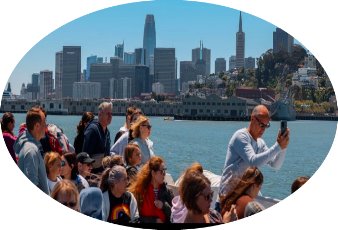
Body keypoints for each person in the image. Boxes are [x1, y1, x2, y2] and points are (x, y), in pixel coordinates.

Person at [217, 104, 290, 211]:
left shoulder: (260, 143)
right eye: (261, 124)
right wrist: (278, 146)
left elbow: (276, 165)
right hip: (227, 198)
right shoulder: (241, 136)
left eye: (266, 126)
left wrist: (283, 147)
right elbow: (253, 162)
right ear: (252, 118)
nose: (263, 129)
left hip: (241, 200)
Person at [14, 106, 49, 194]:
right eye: (45, 122)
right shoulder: (31, 150)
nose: (46, 126)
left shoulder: (29, 146)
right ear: (37, 126)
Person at [128, 156, 173, 223]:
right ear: (153, 173)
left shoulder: (167, 191)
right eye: (161, 171)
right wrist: (153, 221)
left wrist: (164, 206)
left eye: (165, 170)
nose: (164, 174)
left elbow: (174, 216)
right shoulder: (140, 192)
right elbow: (134, 217)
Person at [83, 102, 112, 173]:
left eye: (111, 114)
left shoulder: (107, 132)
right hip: (92, 175)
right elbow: (86, 155)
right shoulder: (92, 130)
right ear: (100, 114)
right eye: (108, 114)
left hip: (103, 173)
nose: (110, 116)